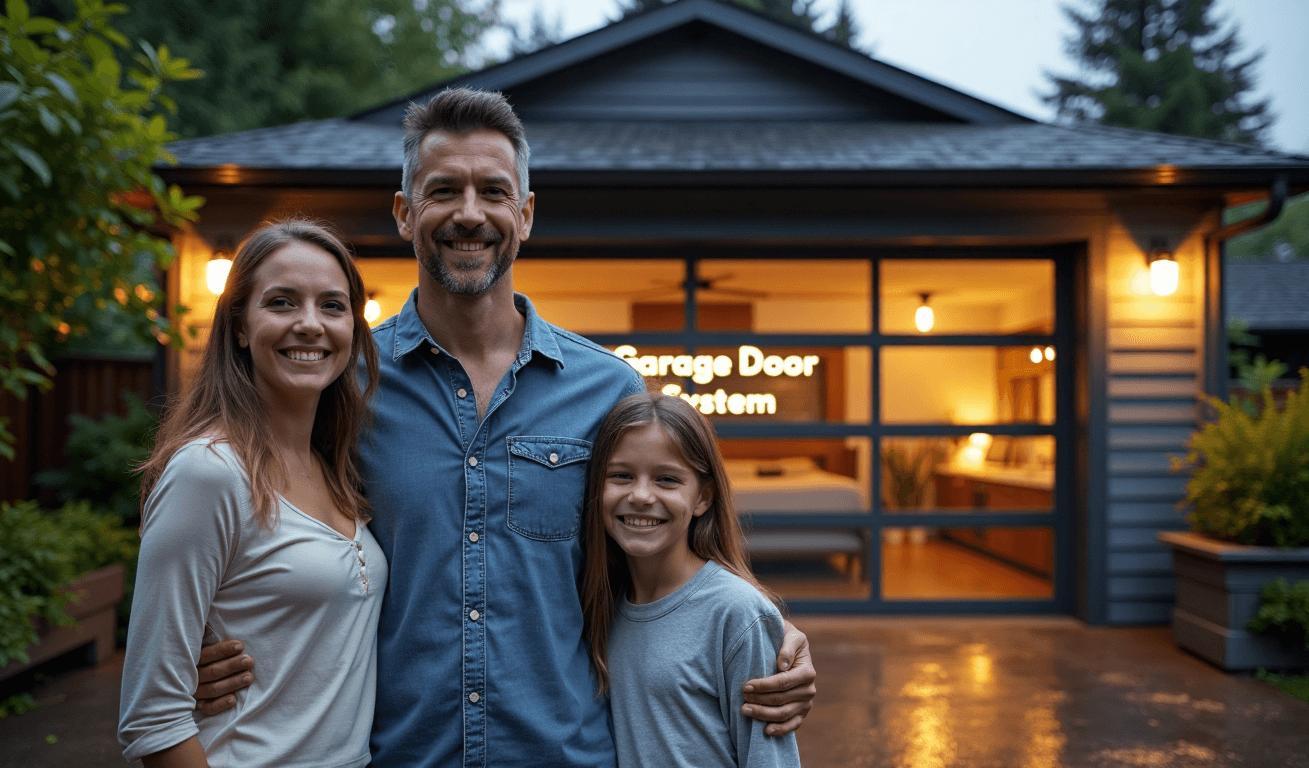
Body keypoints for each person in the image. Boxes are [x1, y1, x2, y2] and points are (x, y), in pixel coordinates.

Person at [191, 88, 816, 767]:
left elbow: (660, 548)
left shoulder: (608, 388)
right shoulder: (344, 386)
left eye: (493, 191)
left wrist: (761, 625)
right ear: (405, 213)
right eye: (442, 191)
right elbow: (262, 522)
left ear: (524, 214)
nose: (468, 214)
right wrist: (197, 645)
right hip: (400, 755)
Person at [118, 219, 385, 767]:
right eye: (282, 303)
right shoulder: (209, 473)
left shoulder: (335, 467)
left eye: (333, 306)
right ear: (240, 326)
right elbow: (153, 715)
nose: (310, 324)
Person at [583, 392, 801, 768]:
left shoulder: (738, 612)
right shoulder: (601, 603)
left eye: (667, 480)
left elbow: (769, 758)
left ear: (703, 498)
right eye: (621, 475)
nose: (640, 495)